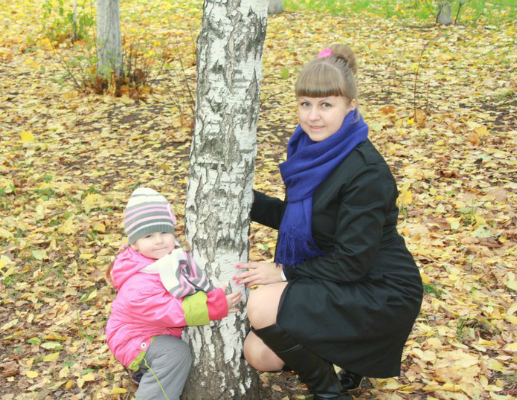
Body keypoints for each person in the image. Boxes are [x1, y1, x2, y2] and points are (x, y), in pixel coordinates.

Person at [233, 44, 423, 399]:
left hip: (380, 290)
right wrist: (244, 201)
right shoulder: (309, 153)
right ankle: (339, 363)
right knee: (258, 354)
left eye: (326, 105)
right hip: (340, 277)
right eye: (305, 103)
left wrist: (283, 273)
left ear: (351, 106)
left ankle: (329, 391)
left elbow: (352, 260)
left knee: (261, 304)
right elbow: (308, 223)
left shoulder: (366, 172)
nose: (313, 116)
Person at [106, 187, 241, 400]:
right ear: (135, 243)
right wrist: (211, 307)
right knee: (174, 353)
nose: (159, 240)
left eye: (164, 233)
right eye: (149, 235)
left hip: (150, 333)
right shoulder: (139, 281)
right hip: (134, 339)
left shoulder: (169, 261)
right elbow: (169, 310)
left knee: (174, 350)